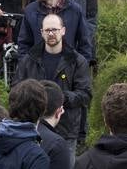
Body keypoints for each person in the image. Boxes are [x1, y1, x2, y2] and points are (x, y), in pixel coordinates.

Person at [13, 13, 92, 147]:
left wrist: (60, 98)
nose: (51, 34)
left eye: (54, 30)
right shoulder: (29, 60)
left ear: (63, 31)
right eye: (47, 30)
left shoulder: (77, 61)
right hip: (33, 130)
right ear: (42, 33)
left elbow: (85, 94)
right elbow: (16, 90)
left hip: (66, 131)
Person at [16, 0, 91, 61]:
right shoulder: (30, 11)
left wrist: (81, 68)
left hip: (68, 68)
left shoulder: (74, 10)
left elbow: (85, 43)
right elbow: (24, 44)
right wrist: (27, 68)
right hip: (38, 70)